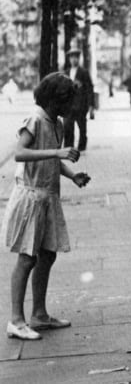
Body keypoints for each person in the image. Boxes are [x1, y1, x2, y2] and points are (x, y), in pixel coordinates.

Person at [1, 72, 91, 340]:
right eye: (68, 100)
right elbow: (20, 153)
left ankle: (39, 314)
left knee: (47, 254)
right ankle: (16, 320)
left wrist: (72, 175)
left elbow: (52, 159)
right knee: (27, 257)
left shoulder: (57, 124)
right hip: (30, 198)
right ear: (56, 100)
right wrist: (56, 153)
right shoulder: (36, 120)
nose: (72, 106)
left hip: (48, 197)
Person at [62, 48, 94, 151]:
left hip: (81, 105)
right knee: (67, 126)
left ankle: (82, 147)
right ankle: (68, 146)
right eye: (72, 57)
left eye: (76, 57)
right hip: (68, 105)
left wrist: (91, 105)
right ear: (69, 59)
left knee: (82, 127)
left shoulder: (84, 72)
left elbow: (89, 89)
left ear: (79, 59)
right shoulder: (66, 72)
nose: (74, 60)